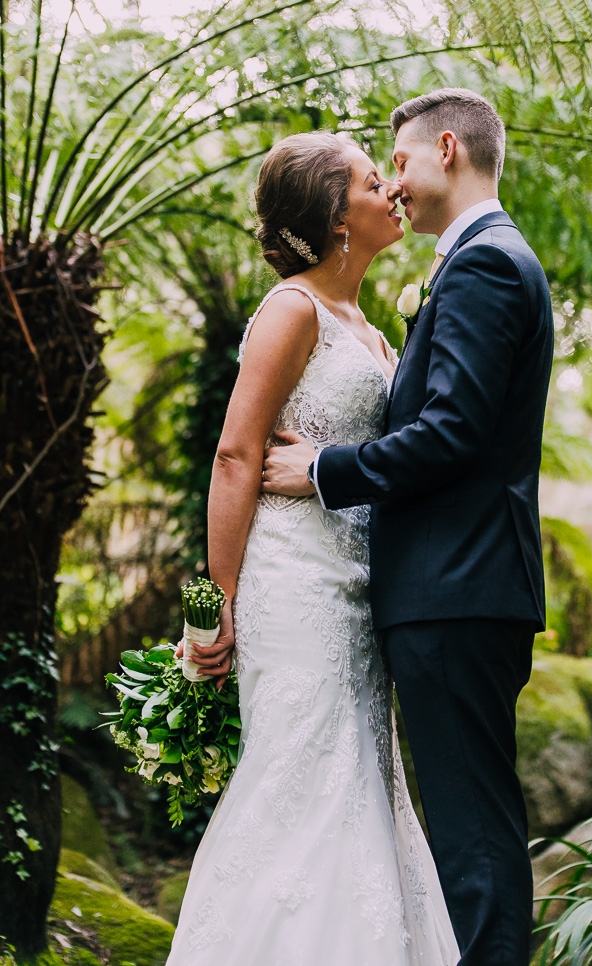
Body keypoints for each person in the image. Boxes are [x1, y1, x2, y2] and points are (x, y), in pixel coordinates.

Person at [260, 89, 555, 966]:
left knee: (471, 842)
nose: (394, 184)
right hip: (456, 589)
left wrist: (322, 469)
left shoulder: (485, 263)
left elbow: (453, 433)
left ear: (449, 149)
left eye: (399, 162)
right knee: (470, 833)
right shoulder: (478, 262)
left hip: (456, 588)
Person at [165, 131, 460, 966]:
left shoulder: (367, 325)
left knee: (363, 783)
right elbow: (235, 454)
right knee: (297, 780)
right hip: (294, 587)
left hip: (363, 589)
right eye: (375, 181)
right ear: (337, 217)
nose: (391, 192)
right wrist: (212, 606)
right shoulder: (292, 310)